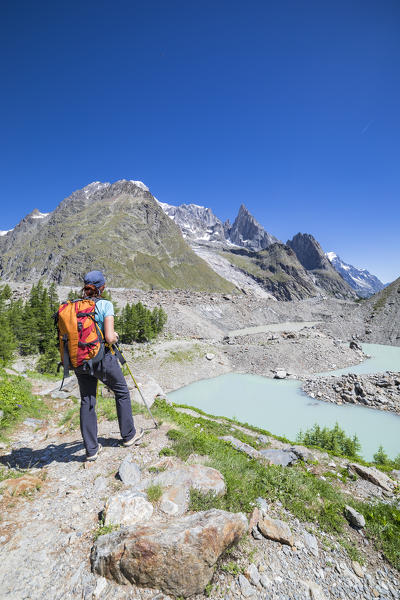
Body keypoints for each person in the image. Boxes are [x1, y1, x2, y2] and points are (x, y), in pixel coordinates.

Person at [75, 270, 143, 461]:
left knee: (87, 400)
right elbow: (110, 337)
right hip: (101, 358)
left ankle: (91, 450)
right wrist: (115, 337)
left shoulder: (75, 306)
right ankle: (129, 435)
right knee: (121, 391)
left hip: (80, 360)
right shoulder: (105, 304)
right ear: (102, 287)